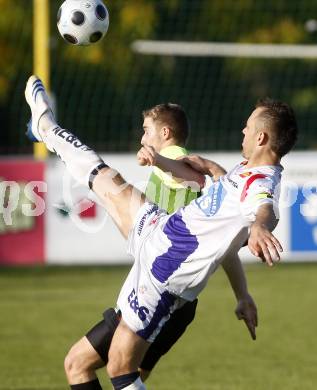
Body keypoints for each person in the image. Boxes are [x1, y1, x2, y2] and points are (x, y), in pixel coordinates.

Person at [25, 75, 298, 390]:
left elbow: (264, 208)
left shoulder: (262, 183)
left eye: (248, 127)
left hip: (164, 274)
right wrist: (174, 163)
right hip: (157, 228)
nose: (243, 130)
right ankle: (46, 127)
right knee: (103, 176)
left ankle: (46, 128)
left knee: (121, 369)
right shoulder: (244, 169)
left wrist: (260, 226)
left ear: (262, 138)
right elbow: (222, 209)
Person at [69, 103, 202, 385]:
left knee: (79, 364)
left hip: (156, 293)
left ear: (165, 132)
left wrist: (158, 161)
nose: (142, 139)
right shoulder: (169, 166)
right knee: (131, 377)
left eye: (146, 131)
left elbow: (192, 177)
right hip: (178, 301)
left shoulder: (174, 156)